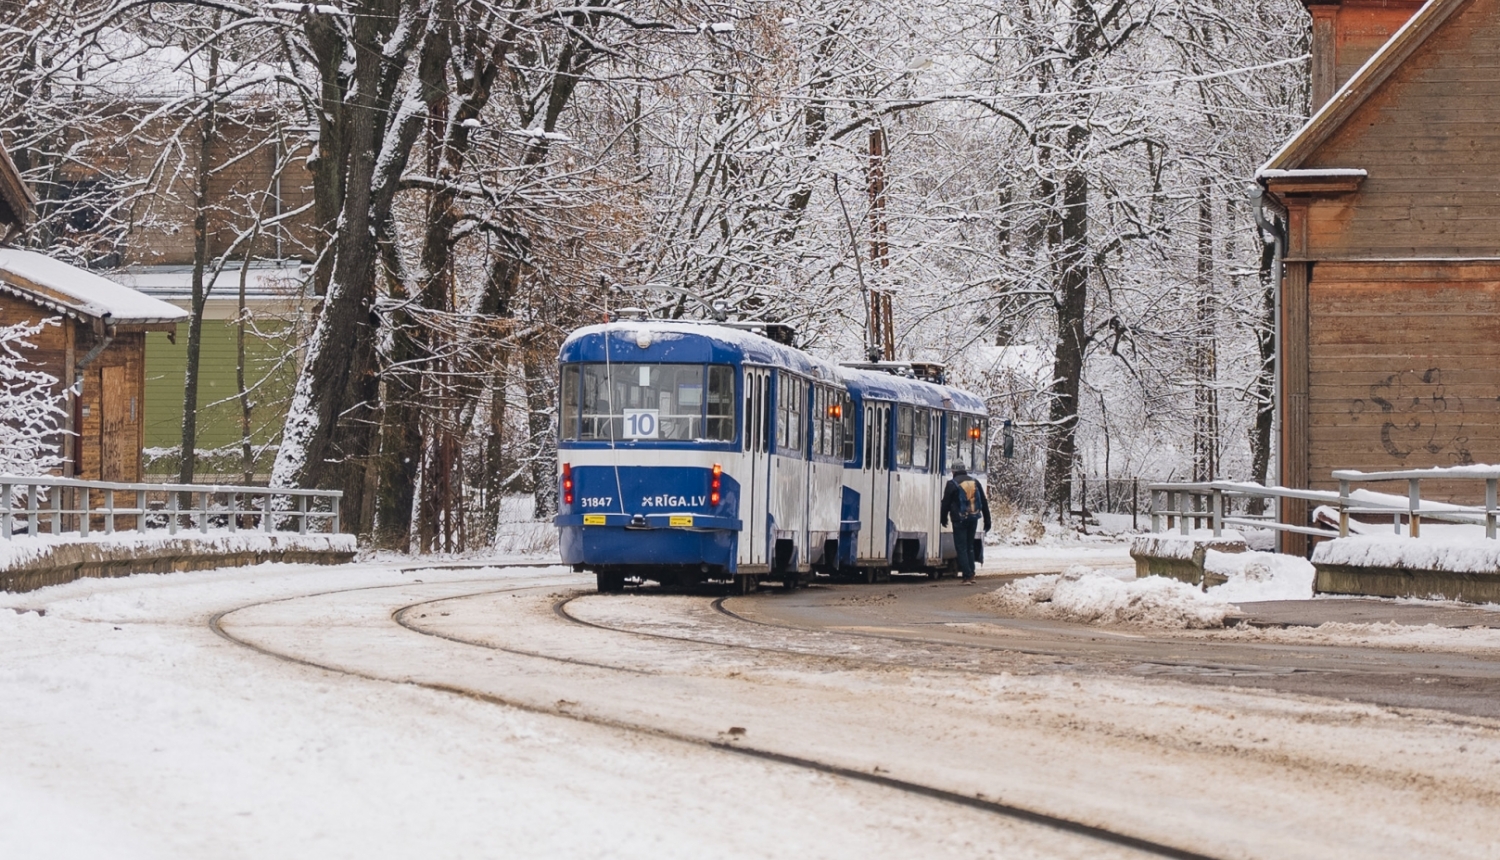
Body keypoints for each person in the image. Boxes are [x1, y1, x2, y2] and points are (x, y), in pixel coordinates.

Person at [940, 461, 991, 584]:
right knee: (970, 546)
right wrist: (987, 519)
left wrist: (943, 518)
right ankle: (972, 573)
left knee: (961, 547)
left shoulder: (952, 484)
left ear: (954, 471)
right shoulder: (974, 482)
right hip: (973, 518)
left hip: (959, 519)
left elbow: (946, 503)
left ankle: (967, 575)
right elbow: (983, 502)